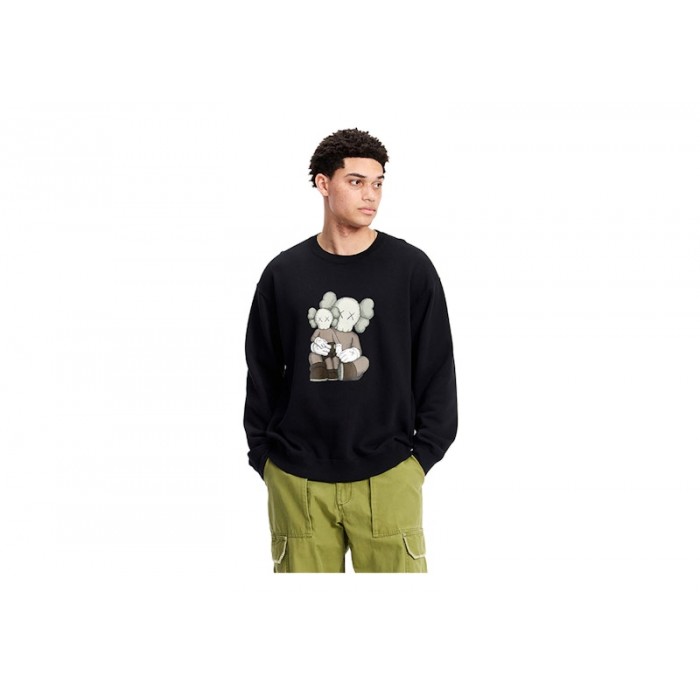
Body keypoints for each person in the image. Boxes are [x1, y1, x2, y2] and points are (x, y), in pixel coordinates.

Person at [243, 128, 458, 573]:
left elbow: (436, 369)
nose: (371, 195)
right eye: (356, 181)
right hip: (297, 479)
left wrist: (420, 459)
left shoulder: (410, 269)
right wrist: (265, 459)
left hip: (390, 474)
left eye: (378, 183)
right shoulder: (284, 273)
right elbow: (261, 371)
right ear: (324, 183)